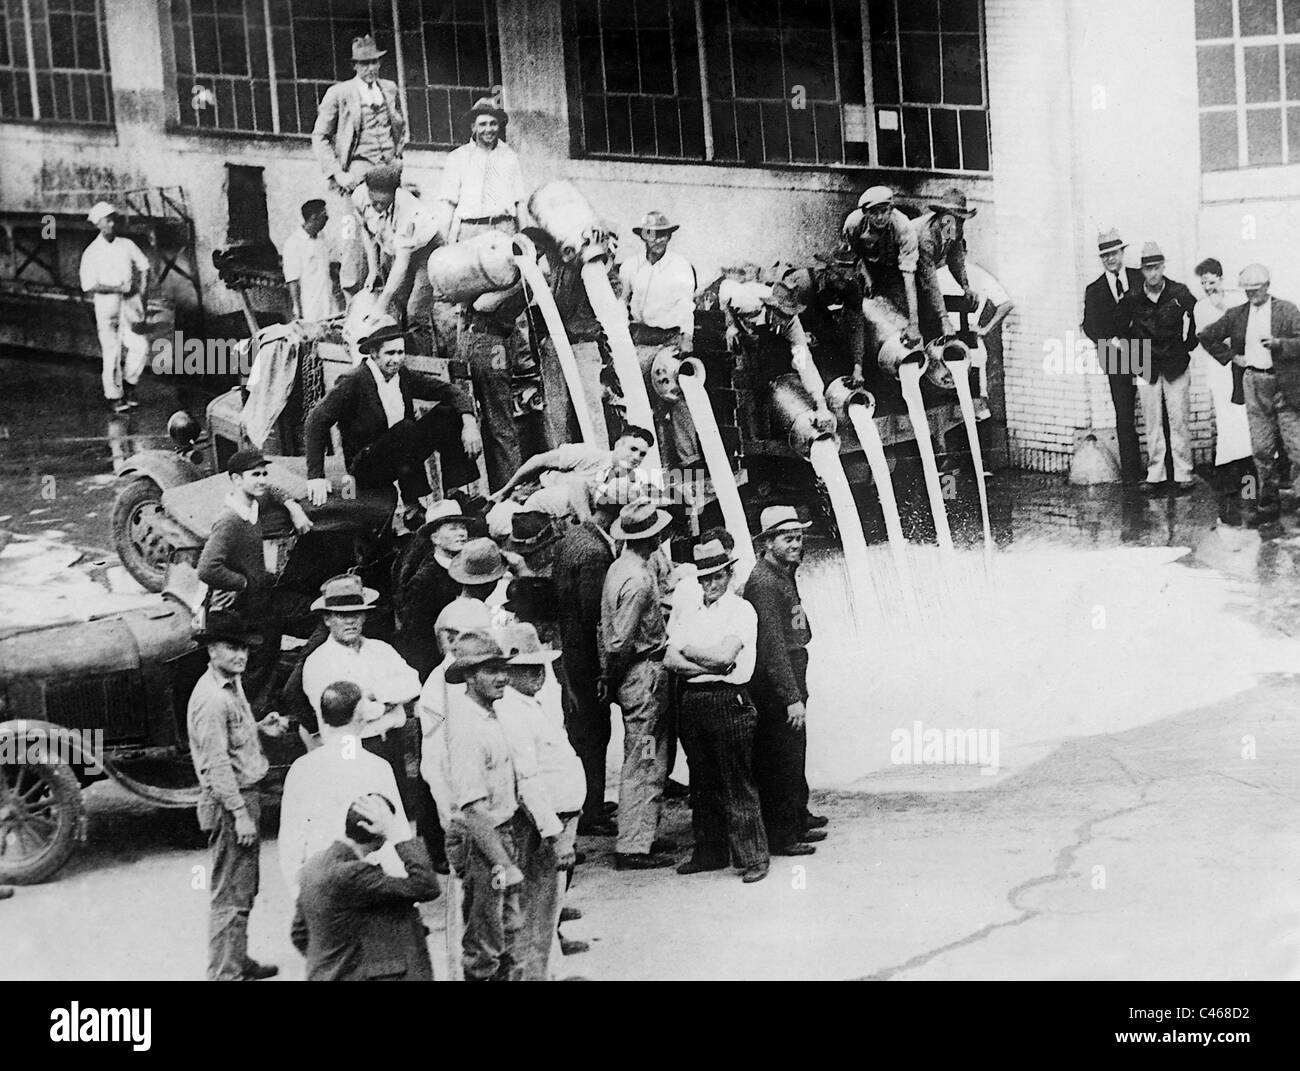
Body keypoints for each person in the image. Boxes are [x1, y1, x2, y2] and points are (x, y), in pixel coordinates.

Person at [186, 611, 288, 981]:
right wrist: (240, 813)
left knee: (243, 889)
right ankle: (224, 974)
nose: (240, 656)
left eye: (244, 648)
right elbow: (216, 765)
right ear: (212, 650)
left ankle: (237, 960)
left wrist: (260, 729)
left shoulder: (230, 683)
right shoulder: (213, 699)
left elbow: (233, 742)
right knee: (229, 895)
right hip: (232, 801)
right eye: (232, 648)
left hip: (245, 796)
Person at [303, 314, 483, 520]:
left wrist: (469, 423)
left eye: (400, 352)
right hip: (366, 466)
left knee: (447, 413)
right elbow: (316, 420)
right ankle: (412, 507)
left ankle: (454, 493)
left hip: (398, 454)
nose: (396, 359)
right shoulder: (354, 381)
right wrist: (315, 477)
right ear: (374, 353)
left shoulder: (402, 376)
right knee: (406, 428)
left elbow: (451, 391)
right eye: (390, 353)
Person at [300, 574, 424, 852]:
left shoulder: (381, 650)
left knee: (394, 818)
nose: (351, 621)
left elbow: (412, 683)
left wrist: (373, 695)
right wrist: (386, 703)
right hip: (350, 749)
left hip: (390, 746)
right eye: (341, 616)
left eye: (356, 614)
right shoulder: (319, 662)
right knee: (358, 822)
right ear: (327, 619)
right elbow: (352, 711)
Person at [668, 539, 768, 883]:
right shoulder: (692, 611)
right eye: (704, 579)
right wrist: (705, 662)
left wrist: (691, 654)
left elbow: (727, 658)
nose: (710, 585)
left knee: (736, 779)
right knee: (702, 781)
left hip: (730, 700)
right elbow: (670, 659)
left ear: (729, 574)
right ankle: (709, 851)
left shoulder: (741, 611)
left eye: (717, 576)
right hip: (694, 701)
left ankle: (753, 856)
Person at [494, 623, 585, 977]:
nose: (536, 674)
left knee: (548, 909)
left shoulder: (533, 702)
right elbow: (527, 780)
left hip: (559, 817)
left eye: (539, 666)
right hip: (541, 825)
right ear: (509, 670)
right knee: (535, 911)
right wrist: (553, 834)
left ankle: (547, 973)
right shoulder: (513, 711)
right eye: (525, 668)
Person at [442, 630, 530, 981]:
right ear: (468, 676)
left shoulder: (488, 715)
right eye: (490, 670)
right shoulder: (468, 729)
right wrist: (503, 864)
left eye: (502, 668)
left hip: (500, 834)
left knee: (506, 929)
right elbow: (473, 811)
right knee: (486, 940)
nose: (503, 677)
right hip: (483, 842)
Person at [198, 449, 313, 714]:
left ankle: (265, 708)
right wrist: (243, 583)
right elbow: (207, 568)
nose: (261, 480)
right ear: (236, 480)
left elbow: (272, 490)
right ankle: (253, 720)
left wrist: (293, 506)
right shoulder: (230, 520)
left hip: (261, 600)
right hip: (243, 607)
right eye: (255, 475)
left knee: (270, 652)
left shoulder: (253, 505)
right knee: (256, 667)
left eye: (263, 473)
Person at [278, 680, 411, 902]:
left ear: (323, 719)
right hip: (371, 882)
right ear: (361, 718)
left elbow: (291, 841)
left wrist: (299, 895)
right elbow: (397, 830)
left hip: (321, 882)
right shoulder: (377, 767)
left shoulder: (302, 768)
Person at [743, 507, 825, 858]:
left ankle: (798, 815)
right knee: (781, 755)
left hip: (793, 667)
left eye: (799, 536)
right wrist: (791, 695)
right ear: (767, 542)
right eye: (787, 538)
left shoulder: (783, 572)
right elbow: (771, 644)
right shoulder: (763, 582)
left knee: (795, 749)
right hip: (777, 679)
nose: (796, 543)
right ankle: (782, 835)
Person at [600, 499, 677, 869]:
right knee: (645, 758)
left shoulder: (620, 567)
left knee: (647, 756)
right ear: (654, 536)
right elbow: (619, 642)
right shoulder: (639, 580)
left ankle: (642, 835)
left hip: (635, 676)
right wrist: (613, 679)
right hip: (643, 676)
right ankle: (632, 844)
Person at [291, 793, 438, 981]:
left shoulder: (313, 865)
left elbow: (300, 934)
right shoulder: (352, 873)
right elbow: (427, 886)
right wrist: (396, 833)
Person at [1197, 263, 1300, 528]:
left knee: (1296, 448)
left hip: (1285, 386)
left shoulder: (1287, 310)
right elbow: (1206, 335)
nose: (1251, 296)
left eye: (1256, 290)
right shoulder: (1237, 315)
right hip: (1254, 383)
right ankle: (1268, 505)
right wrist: (1232, 357)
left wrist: (1280, 345)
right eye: (1247, 291)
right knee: (1262, 450)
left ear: (1267, 286)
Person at [311, 33, 407, 299]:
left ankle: (391, 293)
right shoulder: (339, 93)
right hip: (357, 172)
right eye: (364, 64)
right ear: (354, 66)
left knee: (393, 230)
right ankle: (354, 293)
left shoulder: (389, 89)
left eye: (374, 62)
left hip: (388, 170)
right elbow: (320, 137)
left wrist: (398, 155)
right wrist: (338, 173)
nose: (370, 69)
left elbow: (399, 126)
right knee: (353, 232)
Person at [551, 479, 621, 834]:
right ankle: (590, 810)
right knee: (595, 734)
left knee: (583, 732)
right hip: (587, 660)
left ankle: (588, 803)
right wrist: (604, 672)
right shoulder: (595, 552)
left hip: (569, 652)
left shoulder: (572, 538)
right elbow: (595, 616)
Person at [618, 211, 701, 468]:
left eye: (663, 234)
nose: (657, 240)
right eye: (652, 234)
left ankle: (689, 460)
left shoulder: (680, 266)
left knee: (675, 393)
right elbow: (623, 300)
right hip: (641, 339)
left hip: (669, 339)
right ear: (643, 236)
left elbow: (687, 305)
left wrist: (686, 338)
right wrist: (620, 336)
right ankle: (650, 463)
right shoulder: (631, 266)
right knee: (634, 395)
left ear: (669, 236)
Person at [1115, 242, 1199, 492]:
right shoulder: (1132, 297)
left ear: (1163, 267)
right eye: (1147, 269)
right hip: (1146, 365)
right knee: (1152, 422)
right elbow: (1119, 330)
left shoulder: (1179, 292)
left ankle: (1184, 472)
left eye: (1156, 268)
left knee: (1179, 418)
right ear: (1141, 270)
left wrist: (1188, 345)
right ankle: (1156, 474)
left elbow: (1197, 315)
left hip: (1175, 363)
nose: (1152, 274)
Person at [1191, 258, 1253, 525]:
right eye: (1203, 283)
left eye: (1212, 281)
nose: (1207, 287)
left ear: (1221, 278)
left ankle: (1250, 491)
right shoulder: (1201, 308)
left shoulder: (1237, 302)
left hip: (1243, 373)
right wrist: (1229, 350)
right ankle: (1229, 495)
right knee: (1229, 428)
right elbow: (1208, 339)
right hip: (1221, 373)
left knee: (1248, 427)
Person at [1081, 228, 1146, 484]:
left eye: (1114, 253)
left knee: (1154, 412)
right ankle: (1132, 477)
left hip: (1144, 355)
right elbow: (1089, 325)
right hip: (1115, 359)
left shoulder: (1140, 279)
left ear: (1123, 253)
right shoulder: (1094, 289)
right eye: (1105, 255)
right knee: (1125, 416)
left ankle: (1162, 473)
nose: (1110, 259)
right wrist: (1110, 341)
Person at [488, 425, 655, 518]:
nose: (636, 457)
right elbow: (539, 460)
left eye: (642, 454)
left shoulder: (625, 481)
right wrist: (505, 490)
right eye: (632, 449)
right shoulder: (590, 456)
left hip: (567, 519)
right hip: (533, 500)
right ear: (618, 445)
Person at [79, 201, 150, 413]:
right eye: (107, 221)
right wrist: (118, 288)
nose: (112, 224)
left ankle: (130, 385)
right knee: (112, 351)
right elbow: (89, 285)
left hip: (130, 304)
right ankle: (114, 396)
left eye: (113, 220)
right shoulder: (91, 252)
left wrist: (143, 293)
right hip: (107, 305)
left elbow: (145, 266)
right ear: (98, 224)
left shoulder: (126, 244)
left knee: (140, 345)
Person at [351, 162, 443, 323]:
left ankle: (423, 348)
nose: (378, 207)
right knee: (397, 303)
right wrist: (373, 270)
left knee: (416, 309)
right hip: (395, 248)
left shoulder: (408, 210)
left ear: (395, 193)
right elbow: (368, 233)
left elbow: (402, 262)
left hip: (427, 250)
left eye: (384, 203)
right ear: (367, 190)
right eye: (375, 203)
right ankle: (398, 345)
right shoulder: (358, 197)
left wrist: (380, 306)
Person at [840, 186, 921, 345]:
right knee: (859, 309)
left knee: (899, 317)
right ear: (865, 213)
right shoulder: (853, 224)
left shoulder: (903, 227)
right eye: (874, 212)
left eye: (884, 211)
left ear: (891, 209)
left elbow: (908, 274)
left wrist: (914, 324)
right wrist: (865, 276)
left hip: (896, 271)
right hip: (868, 267)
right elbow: (853, 256)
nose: (880, 217)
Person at [437, 96, 525, 242]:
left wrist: (525, 238)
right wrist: (442, 241)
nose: (488, 129)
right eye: (483, 124)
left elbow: (519, 202)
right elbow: (448, 203)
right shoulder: (457, 157)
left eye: (493, 124)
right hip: (471, 230)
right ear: (473, 127)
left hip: (503, 229)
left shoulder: (510, 157)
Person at [283, 199, 341, 322]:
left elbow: (328, 267)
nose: (328, 219)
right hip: (310, 307)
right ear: (314, 217)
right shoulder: (293, 243)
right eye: (324, 216)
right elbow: (293, 280)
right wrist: (297, 309)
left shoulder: (322, 238)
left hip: (329, 302)